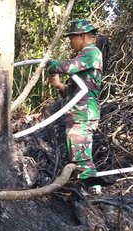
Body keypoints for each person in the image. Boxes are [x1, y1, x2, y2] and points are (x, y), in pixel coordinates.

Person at [46, 19, 103, 184]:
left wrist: (52, 65)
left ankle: (92, 193)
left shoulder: (92, 52)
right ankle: (85, 189)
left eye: (72, 37)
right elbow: (73, 93)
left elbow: (69, 67)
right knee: (78, 156)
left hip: (83, 114)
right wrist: (57, 85)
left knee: (82, 159)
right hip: (78, 113)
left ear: (82, 36)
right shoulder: (85, 56)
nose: (70, 41)